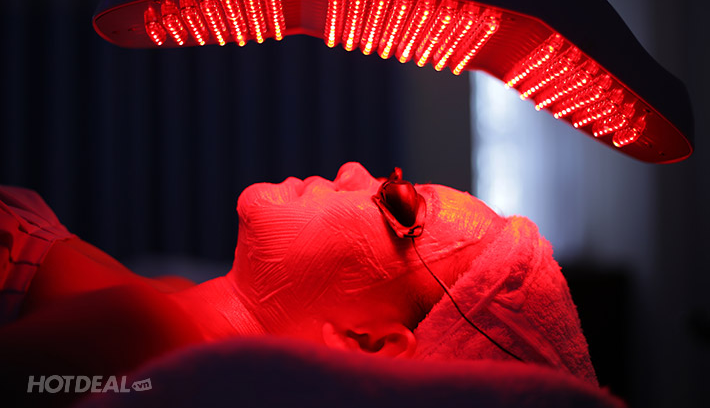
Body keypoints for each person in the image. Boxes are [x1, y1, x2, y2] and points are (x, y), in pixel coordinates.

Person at [0, 162, 595, 406]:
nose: (353, 170)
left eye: (396, 202)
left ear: (368, 342)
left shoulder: (143, 337)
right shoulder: (170, 301)